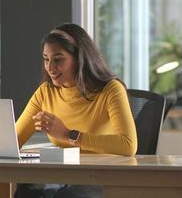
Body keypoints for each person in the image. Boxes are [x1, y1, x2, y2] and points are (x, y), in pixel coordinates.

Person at [15, 23, 138, 198]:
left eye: (58, 59)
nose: (50, 67)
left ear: (79, 58)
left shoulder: (111, 90)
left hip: (100, 177)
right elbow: (13, 140)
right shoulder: (45, 92)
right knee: (25, 192)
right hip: (62, 177)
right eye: (46, 59)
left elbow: (128, 145)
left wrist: (69, 135)